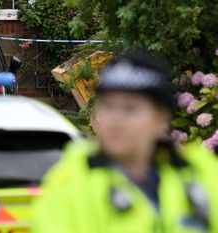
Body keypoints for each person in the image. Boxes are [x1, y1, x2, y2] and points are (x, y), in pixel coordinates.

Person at [33, 51, 218, 233]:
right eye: (108, 105)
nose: (116, 118)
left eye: (130, 108)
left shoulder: (201, 173)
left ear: (161, 117)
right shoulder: (70, 181)